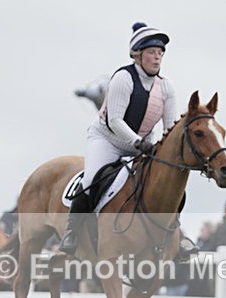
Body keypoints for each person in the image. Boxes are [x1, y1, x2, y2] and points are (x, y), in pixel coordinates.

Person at [59, 22, 178, 256]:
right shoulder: (123, 78)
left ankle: (178, 234)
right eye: (152, 53)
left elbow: (170, 128)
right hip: (108, 140)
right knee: (91, 180)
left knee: (169, 184)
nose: (157, 58)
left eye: (160, 53)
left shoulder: (166, 87)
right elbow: (115, 121)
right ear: (137, 55)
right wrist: (139, 143)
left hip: (143, 145)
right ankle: (72, 231)